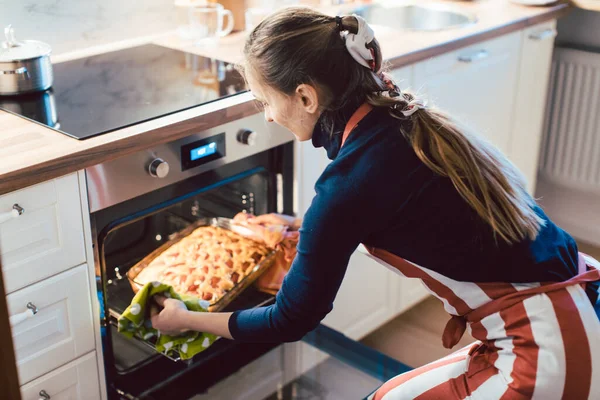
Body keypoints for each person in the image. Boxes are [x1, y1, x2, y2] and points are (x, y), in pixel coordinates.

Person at [150, 7, 600, 399]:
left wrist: (188, 319)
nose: (267, 115)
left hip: (548, 347)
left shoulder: (346, 187)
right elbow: (391, 208)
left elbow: (289, 319)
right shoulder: (402, 119)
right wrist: (302, 227)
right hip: (580, 301)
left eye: (265, 101)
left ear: (306, 97)